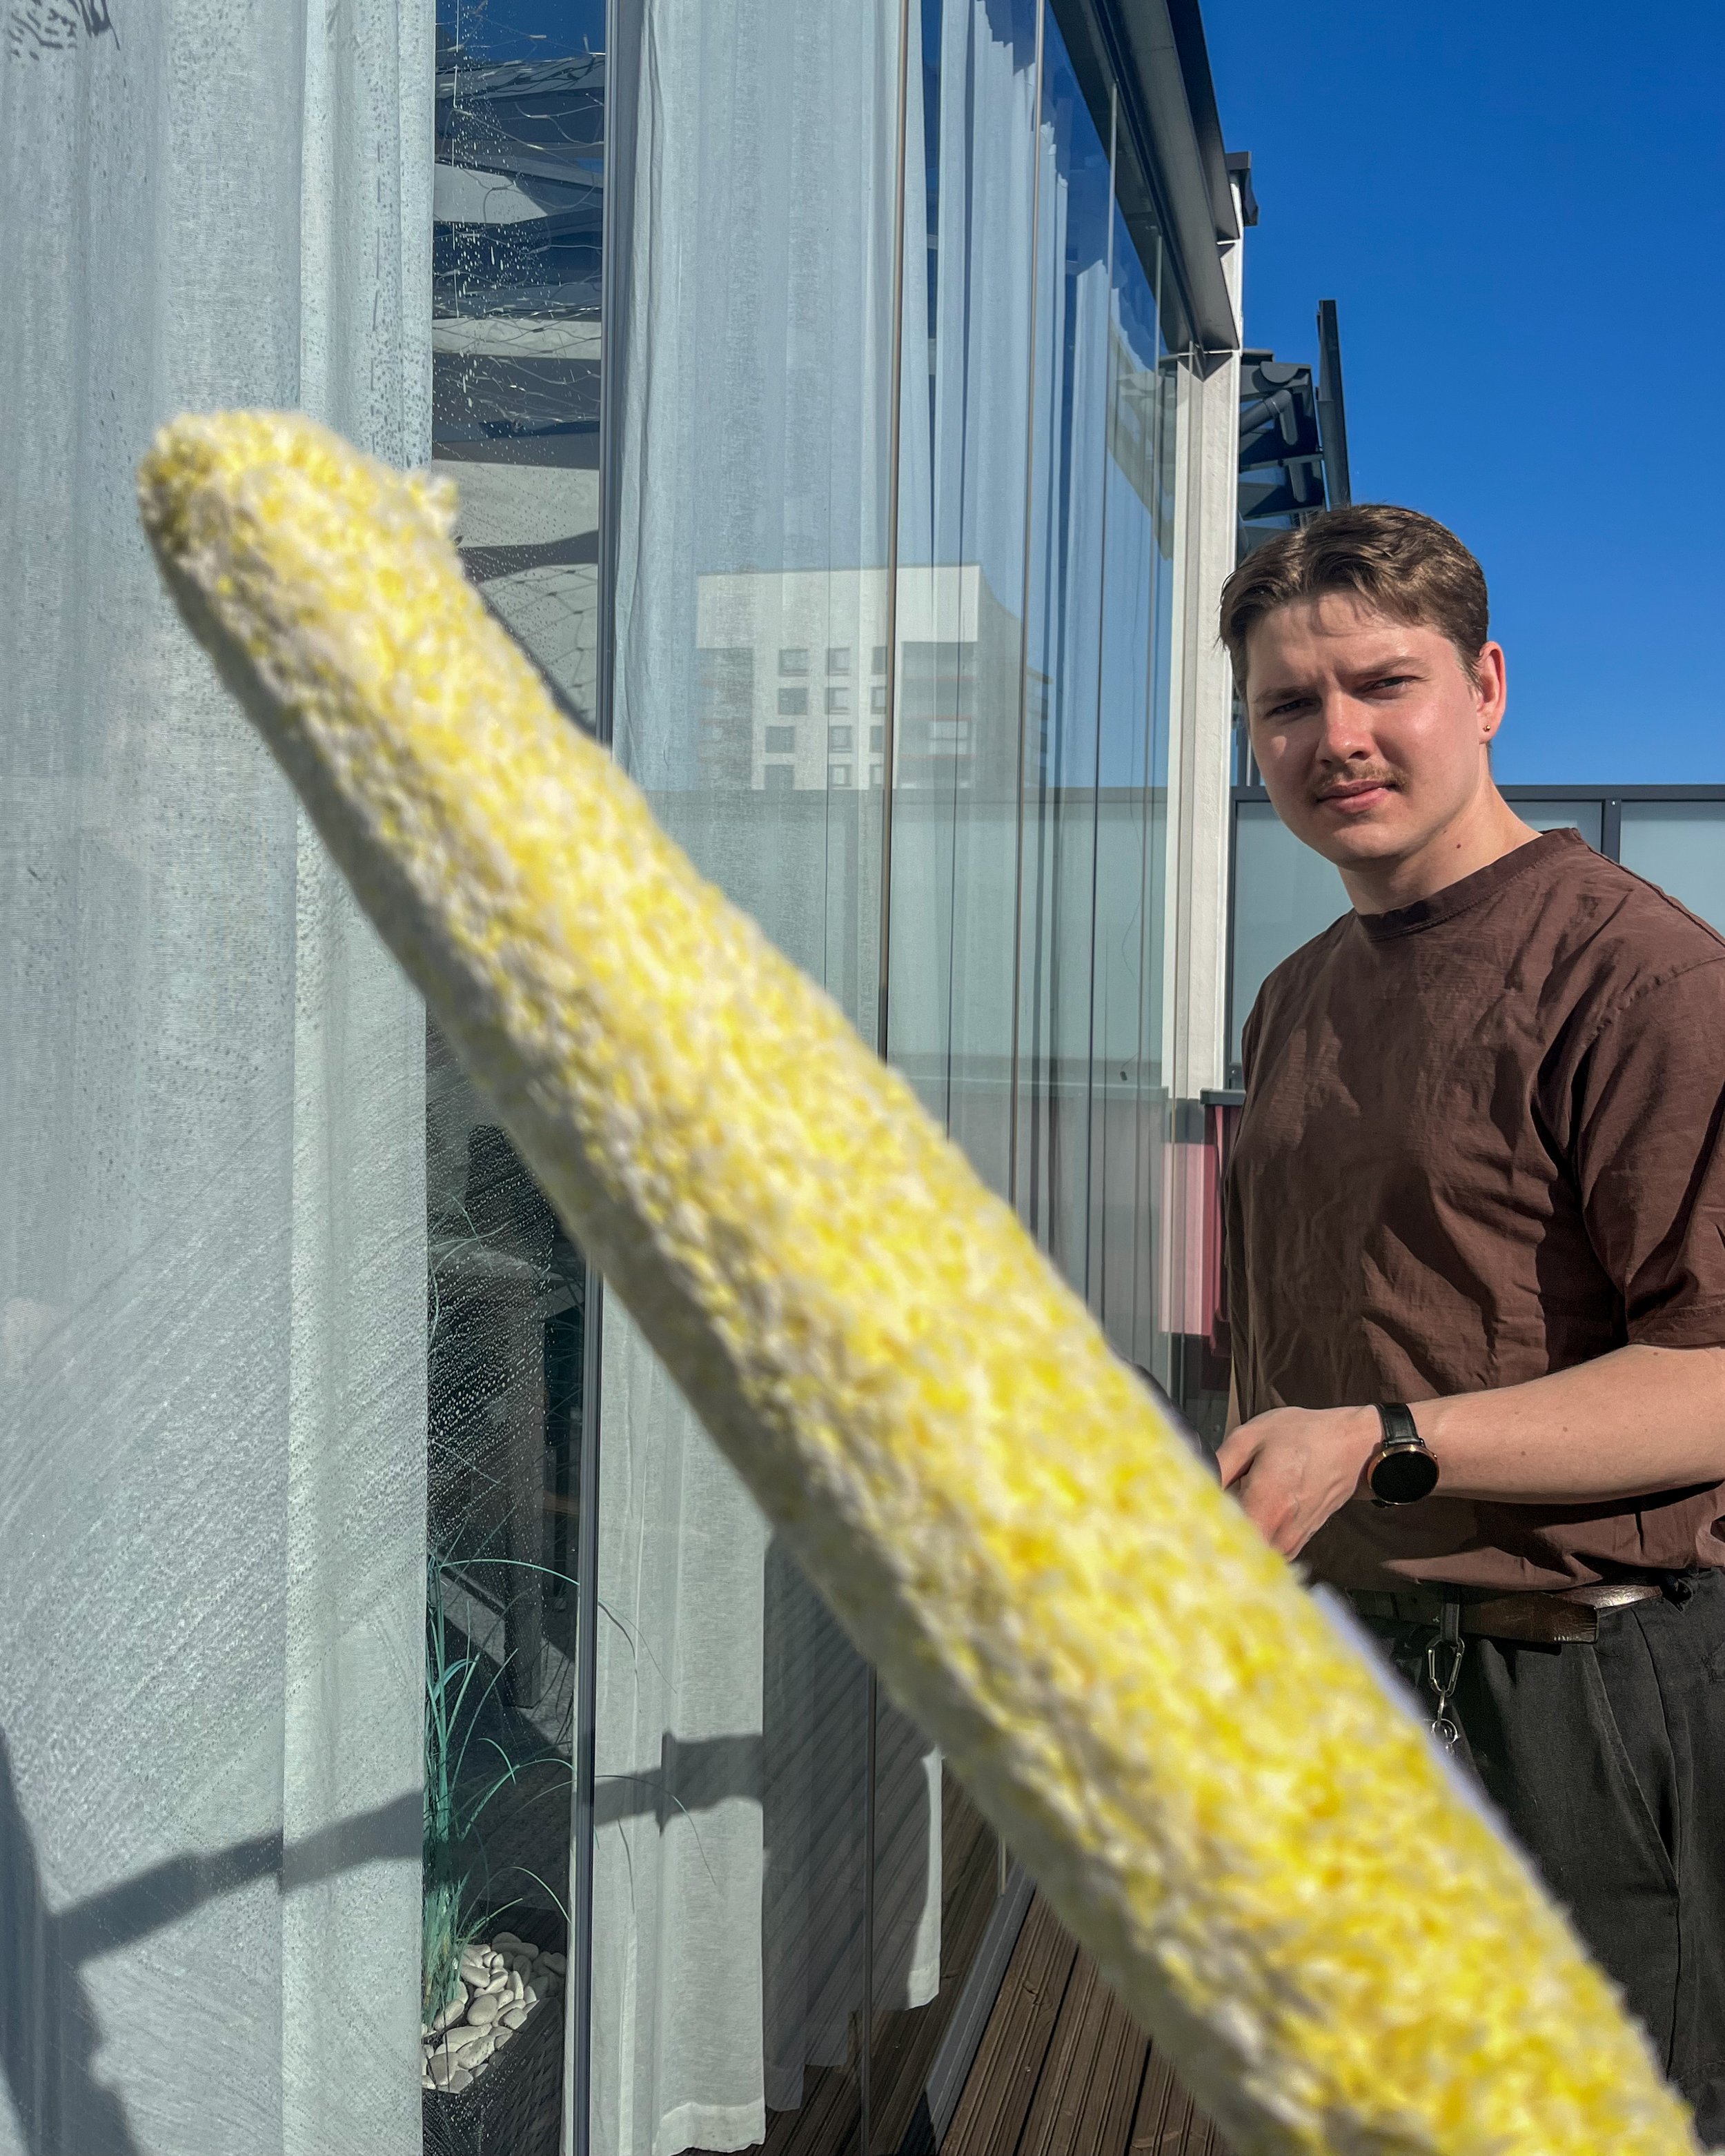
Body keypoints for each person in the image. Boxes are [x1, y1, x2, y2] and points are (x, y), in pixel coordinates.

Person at [1213, 504, 1725, 2140]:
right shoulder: (1293, 996)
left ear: (1485, 686)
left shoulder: (1636, 981)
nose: (1335, 738)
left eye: (1384, 683)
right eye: (1288, 704)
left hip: (1586, 1692)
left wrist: (1379, 1447)